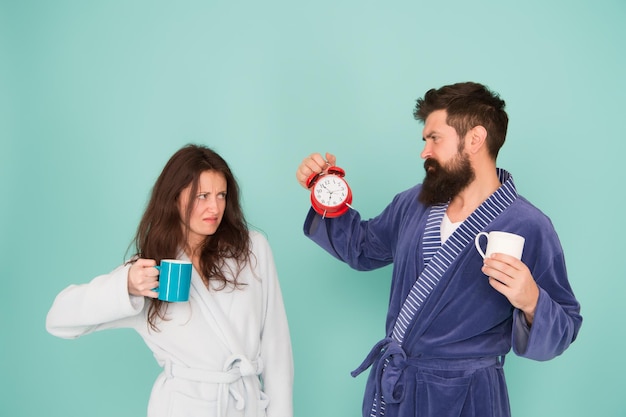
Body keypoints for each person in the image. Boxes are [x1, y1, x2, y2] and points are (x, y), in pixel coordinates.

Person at [295, 82, 582, 417]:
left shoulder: (529, 225)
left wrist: (532, 301)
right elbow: (361, 247)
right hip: (402, 389)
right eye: (424, 140)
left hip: (469, 399)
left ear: (474, 139)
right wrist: (327, 192)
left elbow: (566, 324)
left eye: (435, 138)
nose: (424, 151)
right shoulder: (414, 203)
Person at [47, 144, 293, 417]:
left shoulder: (252, 250)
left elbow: (276, 349)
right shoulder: (149, 270)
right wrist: (126, 285)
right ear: (174, 198)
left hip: (246, 406)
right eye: (202, 196)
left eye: (221, 195)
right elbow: (59, 320)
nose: (215, 207)